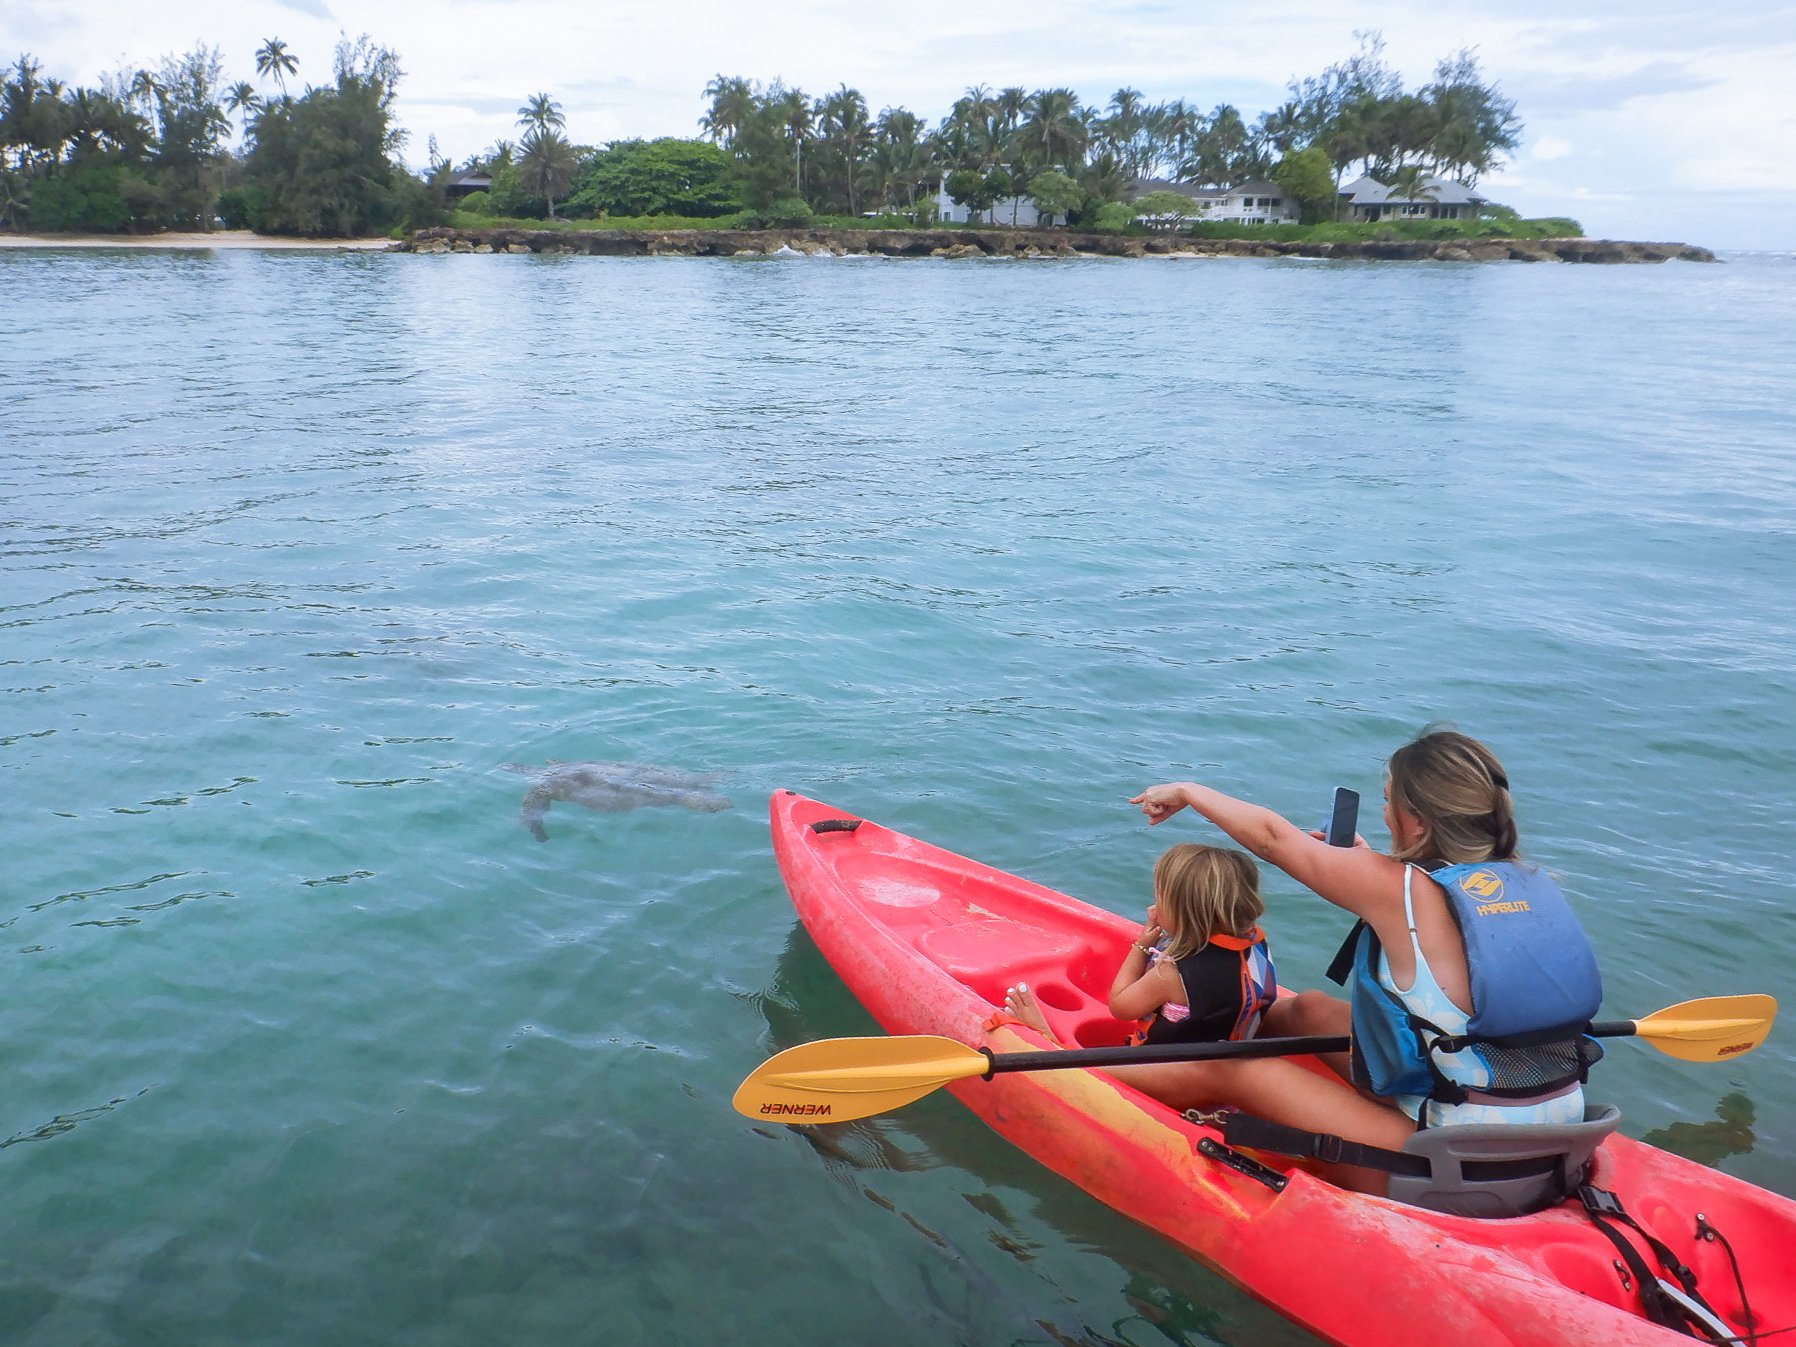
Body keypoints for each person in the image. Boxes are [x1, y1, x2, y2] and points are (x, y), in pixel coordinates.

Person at [1118, 727, 1603, 1194]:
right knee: (1309, 1010)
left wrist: (1186, 789)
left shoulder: (1399, 889)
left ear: (1417, 818)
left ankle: (1084, 1071)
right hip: (1556, 1135)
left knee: (1233, 1068)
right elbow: (1439, 926)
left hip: (1457, 1161)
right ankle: (1202, 1036)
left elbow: (1273, 839)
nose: (1385, 812)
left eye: (1389, 800)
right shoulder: (1527, 880)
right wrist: (1370, 864)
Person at [1006, 843, 1278, 1048]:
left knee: (1076, 1063)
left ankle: (1048, 1040)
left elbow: (1120, 1006)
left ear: (1182, 911)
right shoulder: (1256, 945)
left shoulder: (1171, 974)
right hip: (1220, 1060)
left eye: (1161, 899)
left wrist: (1142, 945)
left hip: (1164, 1074)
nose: (1154, 906)